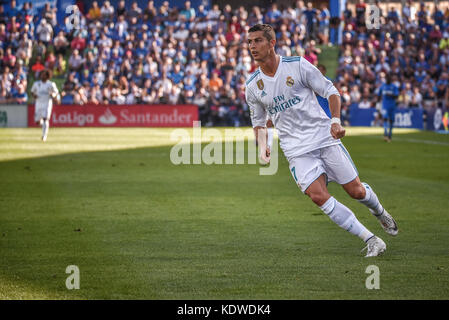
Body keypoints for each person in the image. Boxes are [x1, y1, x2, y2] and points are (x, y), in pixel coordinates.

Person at [245, 24, 398, 257]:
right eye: (249, 42)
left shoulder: (296, 65)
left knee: (356, 191)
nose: (252, 46)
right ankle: (371, 239)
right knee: (318, 196)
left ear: (272, 43)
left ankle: (379, 211)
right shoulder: (252, 86)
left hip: (323, 137)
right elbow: (258, 123)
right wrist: (263, 146)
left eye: (257, 41)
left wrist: (335, 121)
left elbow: (331, 91)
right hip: (296, 150)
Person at [30, 69, 60, 142]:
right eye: (41, 74)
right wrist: (34, 96)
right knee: (37, 121)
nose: (42, 76)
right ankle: (42, 125)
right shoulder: (36, 84)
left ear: (47, 76)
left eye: (44, 74)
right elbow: (32, 92)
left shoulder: (51, 84)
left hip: (47, 103)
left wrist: (53, 95)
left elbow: (56, 93)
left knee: (45, 119)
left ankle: (44, 136)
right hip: (38, 103)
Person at [377, 74, 399, 142]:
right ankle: (385, 133)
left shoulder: (394, 86)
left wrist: (391, 94)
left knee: (391, 120)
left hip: (392, 106)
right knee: (385, 118)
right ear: (386, 79)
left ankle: (390, 134)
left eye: (390, 79)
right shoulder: (382, 86)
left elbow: (396, 96)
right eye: (387, 78)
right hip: (385, 106)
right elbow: (379, 95)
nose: (389, 80)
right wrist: (378, 105)